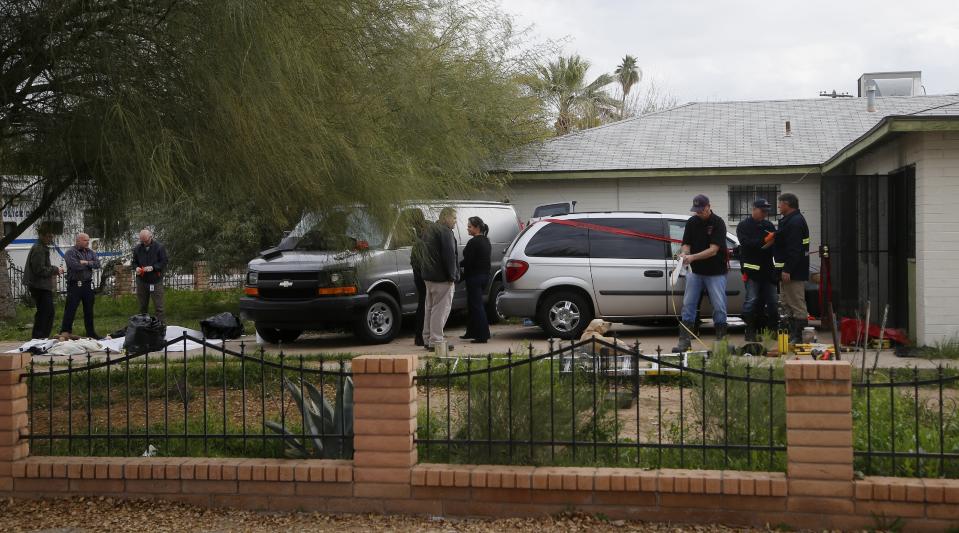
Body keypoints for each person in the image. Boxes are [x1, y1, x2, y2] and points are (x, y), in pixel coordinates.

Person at [673, 194, 730, 352]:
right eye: (696, 210)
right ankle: (684, 341)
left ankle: (721, 340)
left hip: (716, 272)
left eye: (700, 210)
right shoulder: (692, 222)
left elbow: (713, 250)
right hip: (695, 272)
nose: (698, 213)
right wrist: (684, 253)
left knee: (719, 305)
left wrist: (692, 257)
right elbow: (686, 243)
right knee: (688, 305)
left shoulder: (718, 223)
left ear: (708, 207)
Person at [736, 199, 778, 342]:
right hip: (752, 271)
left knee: (772, 301)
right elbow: (747, 244)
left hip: (768, 271)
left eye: (767, 211)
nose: (765, 213)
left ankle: (772, 330)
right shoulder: (743, 226)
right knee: (751, 300)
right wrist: (765, 240)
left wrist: (772, 240)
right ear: (754, 209)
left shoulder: (769, 225)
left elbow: (773, 245)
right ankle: (750, 331)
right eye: (763, 210)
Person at [420, 207, 458, 352]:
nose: (455, 221)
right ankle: (436, 340)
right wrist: (452, 276)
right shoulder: (445, 232)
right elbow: (449, 256)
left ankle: (427, 338)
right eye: (454, 218)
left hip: (428, 277)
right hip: (442, 277)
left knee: (429, 308)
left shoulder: (429, 230)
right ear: (446, 217)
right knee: (440, 309)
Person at [775, 192, 810, 344]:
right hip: (787, 270)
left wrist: (788, 269)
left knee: (796, 302)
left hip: (793, 272)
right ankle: (790, 334)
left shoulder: (795, 222)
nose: (778, 206)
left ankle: (798, 336)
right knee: (786, 302)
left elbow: (795, 249)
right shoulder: (789, 220)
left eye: (780, 203)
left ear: (787, 204)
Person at [22, 224, 63, 339]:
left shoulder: (42, 247)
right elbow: (39, 270)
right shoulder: (39, 249)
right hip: (39, 286)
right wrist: (55, 270)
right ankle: (39, 338)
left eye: (52, 237)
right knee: (45, 312)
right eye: (49, 237)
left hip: (42, 285)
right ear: (42, 236)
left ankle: (42, 337)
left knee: (47, 312)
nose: (51, 239)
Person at [59, 232, 101, 338]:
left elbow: (97, 264)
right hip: (75, 284)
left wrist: (86, 262)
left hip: (87, 284)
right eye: (85, 240)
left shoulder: (90, 252)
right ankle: (65, 331)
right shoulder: (70, 252)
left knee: (89, 310)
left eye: (88, 240)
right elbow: (75, 266)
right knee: (71, 308)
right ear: (78, 241)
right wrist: (87, 263)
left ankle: (91, 333)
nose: (87, 242)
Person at [460, 216, 491, 344]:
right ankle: (471, 332)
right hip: (484, 276)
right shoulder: (486, 241)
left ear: (477, 228)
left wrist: (459, 271)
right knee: (472, 305)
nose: (467, 228)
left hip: (474, 277)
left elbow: (469, 261)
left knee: (477, 306)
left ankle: (483, 335)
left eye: (469, 226)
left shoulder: (474, 242)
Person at [132, 229, 169, 323]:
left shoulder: (159, 247)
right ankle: (143, 327)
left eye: (146, 241)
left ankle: (160, 327)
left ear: (151, 237)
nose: (144, 243)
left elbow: (164, 262)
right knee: (143, 307)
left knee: (159, 307)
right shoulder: (137, 248)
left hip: (155, 281)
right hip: (142, 281)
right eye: (142, 241)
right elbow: (134, 262)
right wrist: (136, 268)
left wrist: (153, 267)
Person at [406, 210, 430, 347]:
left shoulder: (416, 234)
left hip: (419, 272)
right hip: (424, 273)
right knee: (426, 304)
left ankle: (420, 335)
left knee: (423, 303)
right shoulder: (423, 233)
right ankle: (422, 335)